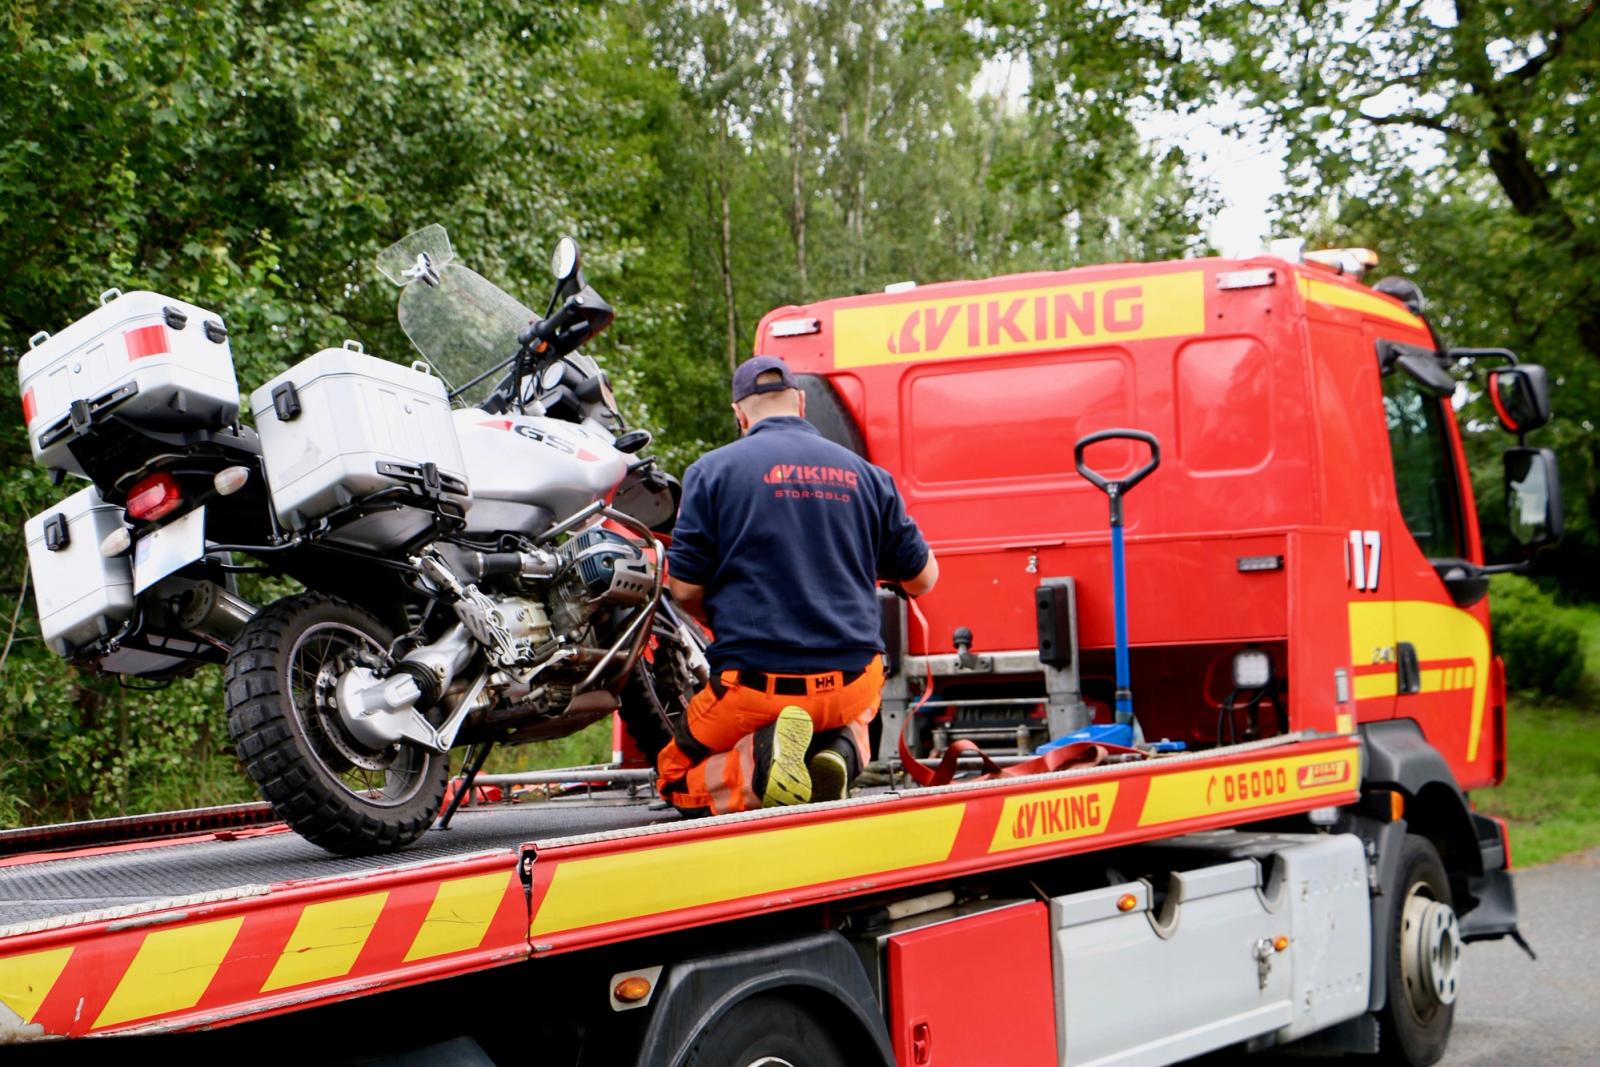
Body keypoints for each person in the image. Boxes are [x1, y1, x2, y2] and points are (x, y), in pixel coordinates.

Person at [655, 355, 938, 816]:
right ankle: (840, 754)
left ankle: (759, 771)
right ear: (802, 403)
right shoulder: (868, 476)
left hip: (754, 688)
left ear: (739, 414)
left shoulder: (711, 472)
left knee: (672, 775)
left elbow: (684, 590)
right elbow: (923, 579)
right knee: (860, 710)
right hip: (850, 684)